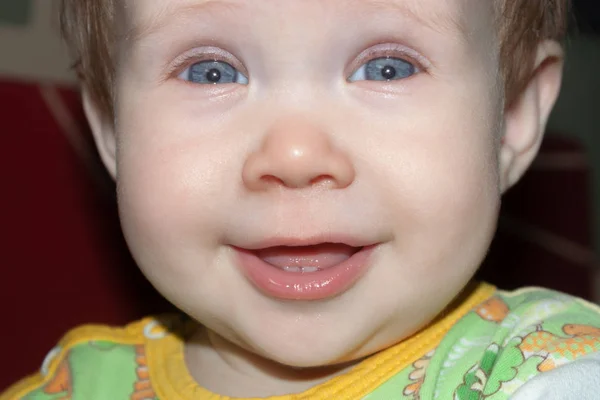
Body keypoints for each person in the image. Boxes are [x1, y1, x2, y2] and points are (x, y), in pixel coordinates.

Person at [3, 1, 599, 399]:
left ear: (511, 117)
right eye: (211, 72)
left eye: (386, 68)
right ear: (113, 130)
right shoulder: (75, 385)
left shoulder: (548, 372)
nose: (294, 156)